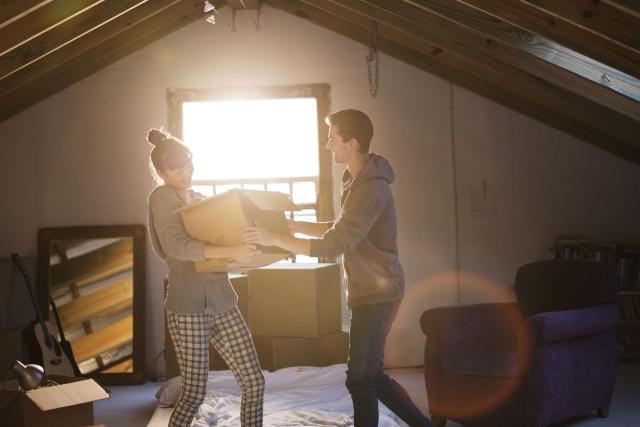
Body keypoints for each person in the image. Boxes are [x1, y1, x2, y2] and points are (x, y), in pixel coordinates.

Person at [243, 109, 433, 427]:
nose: (327, 144)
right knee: (372, 376)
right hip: (372, 292)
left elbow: (334, 246)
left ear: (352, 142)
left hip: (377, 295)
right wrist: (294, 226)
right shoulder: (357, 181)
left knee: (359, 379)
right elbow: (341, 229)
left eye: (332, 137)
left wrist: (272, 237)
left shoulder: (371, 189)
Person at [145, 128, 265, 427]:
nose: (185, 172)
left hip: (223, 300)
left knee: (255, 382)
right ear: (160, 172)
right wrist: (230, 248)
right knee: (194, 392)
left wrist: (244, 249)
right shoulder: (162, 197)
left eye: (188, 164)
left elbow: (218, 246)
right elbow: (175, 246)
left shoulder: (200, 199)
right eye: (176, 169)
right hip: (188, 306)